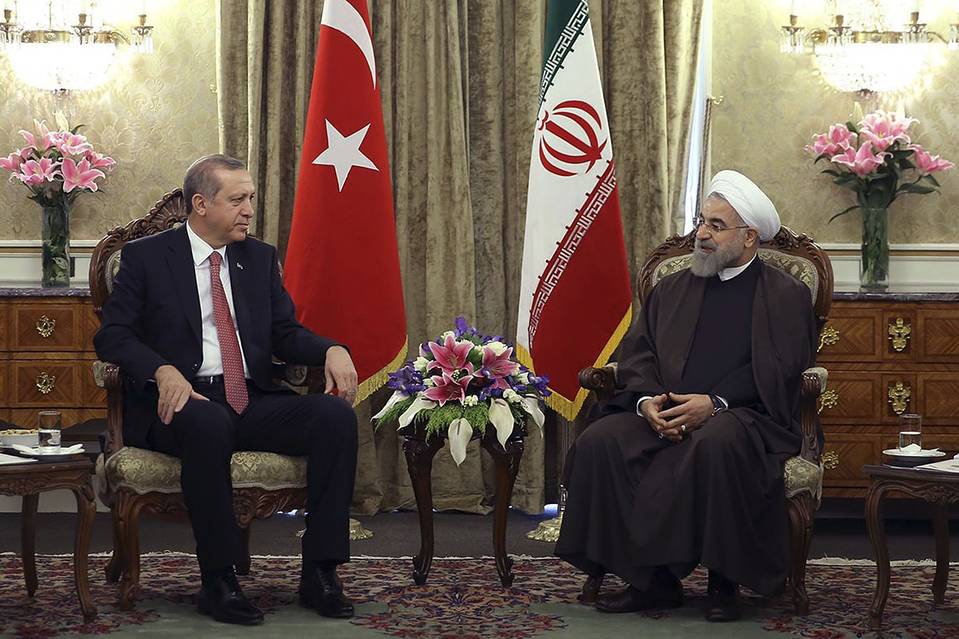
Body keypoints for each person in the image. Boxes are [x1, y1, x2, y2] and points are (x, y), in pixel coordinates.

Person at [95, 154, 360, 625]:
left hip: (249, 398)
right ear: (201, 204)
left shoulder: (258, 258)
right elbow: (112, 336)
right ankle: (219, 580)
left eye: (250, 198)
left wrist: (332, 349)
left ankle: (320, 572)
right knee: (208, 422)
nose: (249, 210)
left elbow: (284, 334)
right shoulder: (147, 257)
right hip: (180, 404)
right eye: (238, 200)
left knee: (334, 417)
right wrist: (161, 370)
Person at [555, 170, 817, 622]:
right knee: (601, 441)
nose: (702, 234)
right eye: (701, 222)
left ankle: (724, 582)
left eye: (716, 225)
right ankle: (650, 581)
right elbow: (639, 353)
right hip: (665, 409)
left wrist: (714, 404)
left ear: (749, 237)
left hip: (745, 416)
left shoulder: (784, 294)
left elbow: (781, 368)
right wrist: (647, 403)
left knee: (715, 444)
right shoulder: (672, 288)